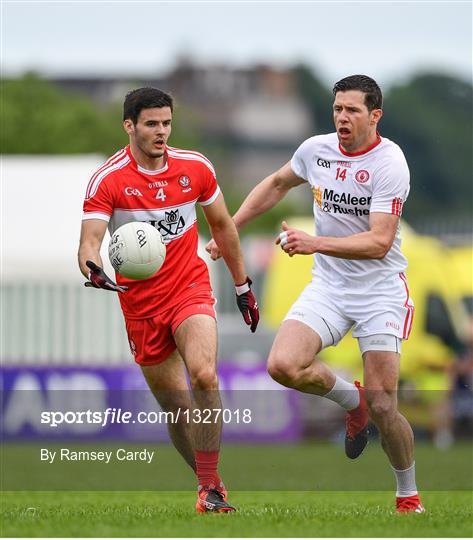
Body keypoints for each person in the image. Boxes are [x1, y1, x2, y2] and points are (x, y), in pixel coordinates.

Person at [206, 75, 424, 513]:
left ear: (375, 115)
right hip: (329, 285)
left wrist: (314, 243)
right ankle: (351, 400)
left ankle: (408, 495)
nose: (342, 118)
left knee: (386, 405)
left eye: (353, 111)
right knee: (283, 365)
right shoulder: (315, 150)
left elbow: (379, 242)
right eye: (338, 108)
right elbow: (275, 184)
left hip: (380, 291)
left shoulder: (389, 163)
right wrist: (228, 228)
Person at [78, 87, 259, 513]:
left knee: (204, 376)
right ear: (129, 126)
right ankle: (207, 482)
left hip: (189, 288)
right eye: (151, 124)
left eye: (167, 123)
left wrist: (242, 285)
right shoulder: (109, 179)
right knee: (177, 407)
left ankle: (211, 490)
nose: (161, 132)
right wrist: (92, 268)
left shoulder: (195, 168)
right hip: (139, 303)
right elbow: (89, 242)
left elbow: (223, 227)